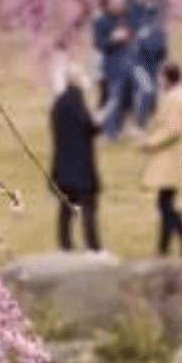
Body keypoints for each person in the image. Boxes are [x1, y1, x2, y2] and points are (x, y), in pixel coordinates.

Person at [140, 62, 182, 257]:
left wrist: (150, 143)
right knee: (165, 202)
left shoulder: (174, 99)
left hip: (172, 158)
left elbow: (173, 130)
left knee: (165, 205)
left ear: (167, 78)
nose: (159, 81)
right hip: (178, 157)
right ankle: (163, 248)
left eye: (161, 77)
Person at [50, 62, 105, 251]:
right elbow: (87, 127)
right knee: (88, 208)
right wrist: (98, 123)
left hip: (62, 167)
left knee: (66, 210)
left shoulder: (58, 103)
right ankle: (94, 247)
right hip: (81, 168)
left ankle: (65, 245)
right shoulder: (77, 100)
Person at [125, 0, 169, 127]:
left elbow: (162, 19)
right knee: (143, 83)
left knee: (153, 82)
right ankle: (140, 120)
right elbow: (129, 18)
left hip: (155, 45)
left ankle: (150, 114)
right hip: (137, 46)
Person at [92, 0, 134, 139]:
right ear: (107, 2)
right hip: (112, 65)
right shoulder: (100, 20)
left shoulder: (124, 18)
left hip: (128, 64)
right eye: (115, 1)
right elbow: (99, 44)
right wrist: (113, 39)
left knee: (127, 98)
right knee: (113, 98)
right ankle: (109, 131)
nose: (119, 4)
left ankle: (118, 127)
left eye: (120, 1)